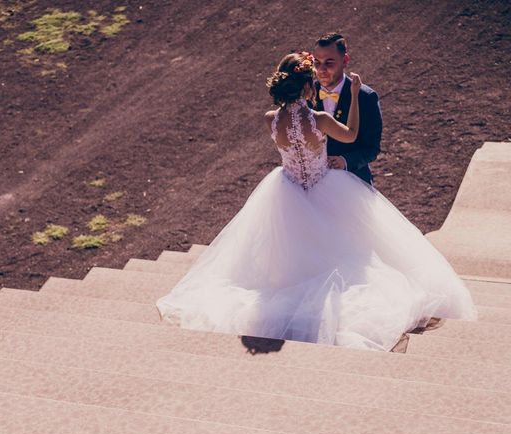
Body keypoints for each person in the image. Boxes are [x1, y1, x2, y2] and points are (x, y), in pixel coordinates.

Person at [155, 51, 476, 352]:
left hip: (287, 189)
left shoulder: (271, 120)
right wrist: (352, 95)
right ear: (307, 87)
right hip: (326, 186)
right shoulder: (319, 119)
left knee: (288, 253)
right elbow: (350, 135)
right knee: (344, 249)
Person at [313, 32, 382, 185]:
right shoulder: (305, 93)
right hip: (314, 185)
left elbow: (372, 148)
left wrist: (345, 161)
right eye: (317, 62)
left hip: (353, 183)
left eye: (329, 62)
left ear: (345, 61)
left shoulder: (366, 97)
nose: (321, 70)